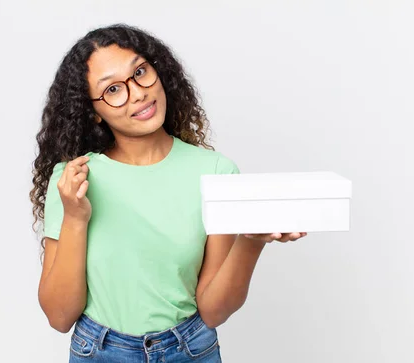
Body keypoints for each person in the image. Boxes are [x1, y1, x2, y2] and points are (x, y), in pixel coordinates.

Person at [30, 23, 307, 363]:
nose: (137, 93)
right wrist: (74, 217)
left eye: (141, 72)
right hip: (100, 352)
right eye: (113, 89)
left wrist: (251, 240)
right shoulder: (74, 180)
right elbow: (59, 317)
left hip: (189, 351)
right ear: (93, 113)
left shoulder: (216, 173)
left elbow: (213, 311)